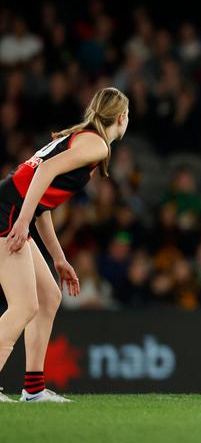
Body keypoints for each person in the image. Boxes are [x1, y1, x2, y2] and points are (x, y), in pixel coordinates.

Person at [0, 87, 129, 403]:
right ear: (122, 117)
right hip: (8, 214)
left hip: (14, 210)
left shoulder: (82, 138)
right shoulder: (96, 145)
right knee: (24, 305)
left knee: (48, 296)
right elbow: (44, 172)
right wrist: (21, 220)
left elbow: (41, 200)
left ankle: (33, 389)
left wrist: (58, 258)